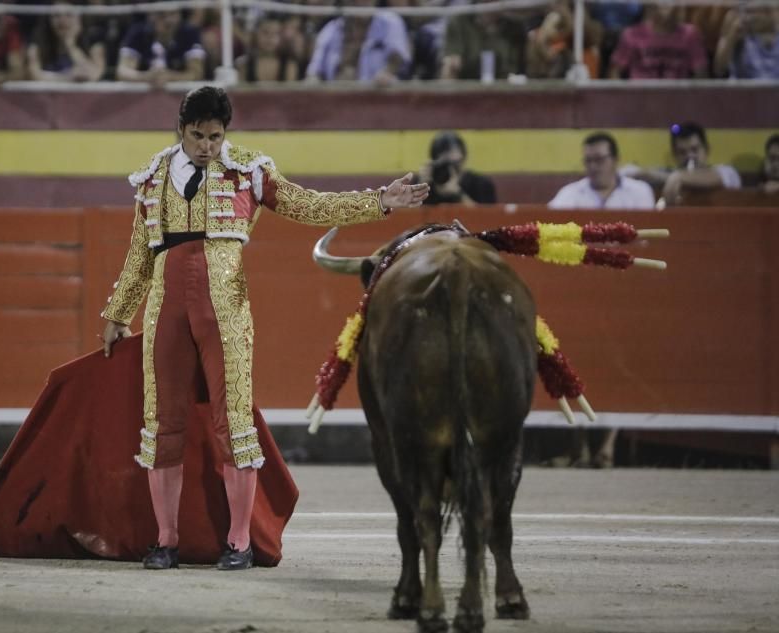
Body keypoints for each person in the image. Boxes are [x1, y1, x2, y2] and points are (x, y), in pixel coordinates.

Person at [99, 86, 428, 571]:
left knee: (233, 420)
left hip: (225, 308)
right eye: (198, 136)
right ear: (181, 129)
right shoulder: (152, 178)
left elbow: (307, 205)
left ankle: (238, 542)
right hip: (165, 309)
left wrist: (380, 200)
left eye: (215, 136)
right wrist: (117, 315)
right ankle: (165, 539)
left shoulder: (249, 170)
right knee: (162, 422)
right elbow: (138, 257)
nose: (208, 146)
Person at [626, 122, 741, 206]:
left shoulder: (727, 172)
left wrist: (679, 177)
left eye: (695, 150)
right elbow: (636, 173)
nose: (690, 156)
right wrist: (645, 173)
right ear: (674, 155)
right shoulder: (671, 174)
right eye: (682, 152)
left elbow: (716, 177)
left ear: (707, 150)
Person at [304, 0, 411, 84]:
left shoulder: (390, 22)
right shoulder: (330, 30)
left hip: (378, 98)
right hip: (336, 101)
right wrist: (314, 84)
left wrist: (387, 72)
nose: (362, 1)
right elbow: (314, 72)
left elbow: (398, 57)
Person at [549, 132, 655, 209]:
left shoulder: (640, 192)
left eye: (599, 159)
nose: (593, 166)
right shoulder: (569, 194)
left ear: (615, 160)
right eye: (588, 161)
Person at [608, 5, 707, 79]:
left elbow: (701, 73)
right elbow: (615, 71)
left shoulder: (690, 35)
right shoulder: (632, 34)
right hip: (641, 99)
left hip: (678, 99)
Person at [116, 9, 205, 86]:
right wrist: (147, 77)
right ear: (151, 15)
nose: (168, 20)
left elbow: (196, 73)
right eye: (161, 14)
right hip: (143, 98)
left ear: (180, 15)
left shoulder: (189, 32)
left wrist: (170, 76)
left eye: (173, 14)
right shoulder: (138, 32)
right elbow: (122, 72)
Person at [26, 1, 105, 82]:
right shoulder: (37, 43)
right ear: (49, 19)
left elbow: (94, 75)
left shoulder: (93, 41)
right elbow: (35, 76)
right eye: (57, 15)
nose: (62, 21)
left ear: (79, 18)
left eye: (69, 15)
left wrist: (71, 45)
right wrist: (68, 77)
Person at [440, 8, 527, 80]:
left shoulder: (516, 27)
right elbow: (451, 66)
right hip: (467, 89)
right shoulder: (459, 22)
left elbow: (520, 72)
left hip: (505, 89)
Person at [419, 130, 496, 206]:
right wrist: (420, 190)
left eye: (453, 166)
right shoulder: (427, 184)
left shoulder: (481, 184)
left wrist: (458, 194)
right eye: (443, 166)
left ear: (463, 159)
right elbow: (410, 215)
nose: (448, 172)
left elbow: (486, 216)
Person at [713, 5, 779, 79]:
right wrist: (732, 36)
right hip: (743, 88)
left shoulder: (774, 15)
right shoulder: (734, 17)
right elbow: (719, 69)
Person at [236, 14, 297, 83]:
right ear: (256, 35)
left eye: (275, 33)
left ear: (281, 38)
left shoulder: (289, 66)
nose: (270, 38)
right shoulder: (244, 66)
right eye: (265, 32)